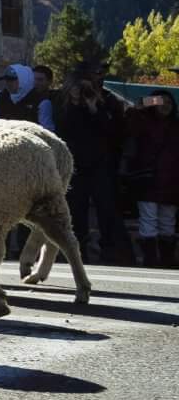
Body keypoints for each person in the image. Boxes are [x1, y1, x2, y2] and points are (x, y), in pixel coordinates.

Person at [57, 69, 132, 265]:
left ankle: (111, 251)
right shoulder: (62, 103)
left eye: (85, 86)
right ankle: (77, 252)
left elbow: (113, 132)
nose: (81, 91)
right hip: (76, 165)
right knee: (77, 210)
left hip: (101, 164)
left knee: (107, 209)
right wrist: (73, 102)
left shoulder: (106, 101)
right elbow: (62, 129)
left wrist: (93, 108)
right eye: (77, 86)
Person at [134, 89, 178, 269]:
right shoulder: (143, 122)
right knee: (149, 220)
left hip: (172, 180)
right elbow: (135, 110)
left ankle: (166, 260)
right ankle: (151, 260)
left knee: (168, 222)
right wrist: (149, 101)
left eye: (169, 103)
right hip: (149, 178)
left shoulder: (176, 125)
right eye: (161, 102)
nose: (165, 106)